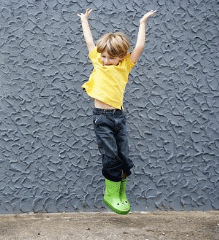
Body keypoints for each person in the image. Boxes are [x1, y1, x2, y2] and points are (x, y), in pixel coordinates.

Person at [78, 8, 156, 215]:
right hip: (101, 119)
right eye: (103, 56)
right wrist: (84, 20)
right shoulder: (98, 62)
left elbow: (139, 47)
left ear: (121, 57)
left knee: (124, 157)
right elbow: (89, 42)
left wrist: (142, 24)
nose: (104, 60)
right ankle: (110, 194)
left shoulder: (125, 66)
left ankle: (121, 193)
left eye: (110, 58)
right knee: (110, 156)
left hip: (119, 118)